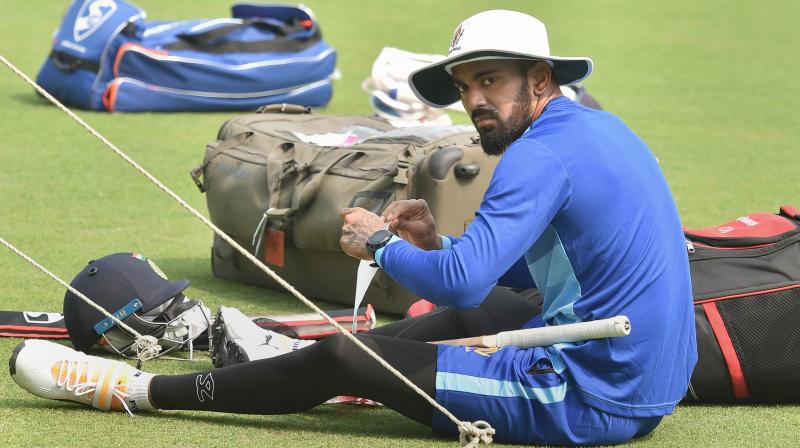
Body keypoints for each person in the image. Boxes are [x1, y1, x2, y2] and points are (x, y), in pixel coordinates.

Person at [8, 10, 696, 445]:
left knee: (348, 359)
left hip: (591, 399)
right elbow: (533, 274)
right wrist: (434, 243)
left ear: (540, 80)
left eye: (491, 81)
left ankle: (130, 390)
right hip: (645, 377)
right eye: (465, 88)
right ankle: (285, 363)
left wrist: (382, 243)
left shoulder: (537, 157)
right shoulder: (597, 131)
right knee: (489, 307)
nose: (476, 102)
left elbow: (458, 286)